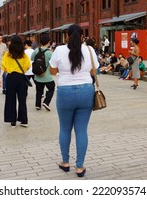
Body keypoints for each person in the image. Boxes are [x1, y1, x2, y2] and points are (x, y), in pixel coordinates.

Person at [49, 24, 98, 178]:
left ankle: (65, 162)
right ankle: (80, 166)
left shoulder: (59, 50)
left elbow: (52, 71)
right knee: (81, 130)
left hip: (65, 92)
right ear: (82, 36)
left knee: (65, 129)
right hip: (86, 91)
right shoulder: (89, 50)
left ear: (67, 36)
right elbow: (93, 71)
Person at [0, 35, 31, 128]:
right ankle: (24, 120)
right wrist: (22, 70)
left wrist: (0, 78)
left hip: (11, 78)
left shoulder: (7, 54)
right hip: (21, 77)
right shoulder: (23, 54)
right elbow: (28, 66)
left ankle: (12, 121)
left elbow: (3, 67)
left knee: (10, 99)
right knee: (22, 99)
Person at [31, 34, 55, 111]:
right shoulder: (49, 52)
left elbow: (32, 59)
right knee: (51, 88)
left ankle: (38, 105)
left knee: (39, 90)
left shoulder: (36, 50)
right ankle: (46, 102)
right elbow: (53, 63)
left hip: (37, 75)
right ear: (48, 42)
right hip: (47, 76)